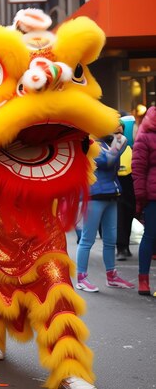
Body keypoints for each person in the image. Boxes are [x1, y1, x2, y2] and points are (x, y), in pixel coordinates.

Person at [75, 124, 135, 292]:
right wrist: (120, 143)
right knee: (87, 239)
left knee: (110, 239)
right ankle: (81, 278)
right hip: (94, 195)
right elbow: (107, 161)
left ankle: (112, 276)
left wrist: (118, 143)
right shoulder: (89, 143)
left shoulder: (106, 143)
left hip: (110, 194)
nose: (117, 129)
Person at [132, 105, 156, 296]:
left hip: (150, 193)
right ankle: (143, 280)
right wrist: (140, 198)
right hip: (152, 195)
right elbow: (138, 170)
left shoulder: (143, 137)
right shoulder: (145, 138)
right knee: (150, 235)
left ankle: (144, 281)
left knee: (149, 236)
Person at [116, 119, 135, 260]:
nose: (118, 136)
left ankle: (125, 246)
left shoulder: (130, 149)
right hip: (115, 186)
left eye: (121, 133)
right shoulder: (105, 148)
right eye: (116, 133)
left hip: (129, 185)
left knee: (127, 216)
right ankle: (120, 247)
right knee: (120, 218)